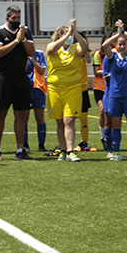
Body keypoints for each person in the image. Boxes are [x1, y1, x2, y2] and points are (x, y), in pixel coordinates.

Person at [0, 5, 36, 160]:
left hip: (21, 78)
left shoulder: (25, 31)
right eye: (14, 18)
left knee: (21, 114)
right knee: (1, 113)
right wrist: (16, 40)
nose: (17, 20)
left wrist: (23, 39)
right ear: (7, 18)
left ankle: (20, 150)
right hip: (3, 78)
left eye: (19, 18)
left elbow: (31, 52)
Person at [46, 18, 90, 162]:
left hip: (73, 89)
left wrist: (74, 32)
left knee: (69, 120)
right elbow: (50, 50)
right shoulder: (53, 46)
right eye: (66, 33)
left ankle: (71, 151)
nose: (69, 36)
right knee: (59, 121)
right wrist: (66, 35)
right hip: (55, 89)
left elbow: (84, 47)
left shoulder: (75, 48)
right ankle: (63, 150)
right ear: (60, 35)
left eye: (70, 34)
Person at [101, 20, 127, 161]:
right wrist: (117, 35)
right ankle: (116, 152)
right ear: (116, 45)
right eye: (119, 44)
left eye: (124, 44)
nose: (122, 46)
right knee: (116, 125)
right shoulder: (112, 57)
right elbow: (104, 46)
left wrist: (123, 31)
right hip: (115, 96)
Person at [26, 49, 49, 152]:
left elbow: (42, 70)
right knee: (24, 118)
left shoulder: (39, 54)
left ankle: (41, 145)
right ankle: (25, 145)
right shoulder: (20, 53)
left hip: (38, 90)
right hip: (25, 90)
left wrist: (33, 61)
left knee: (40, 118)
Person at [92, 37, 111, 152]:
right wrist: (110, 72)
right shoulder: (98, 54)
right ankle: (103, 137)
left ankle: (110, 137)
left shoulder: (115, 53)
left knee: (111, 113)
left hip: (111, 86)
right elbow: (96, 71)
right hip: (99, 87)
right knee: (102, 110)